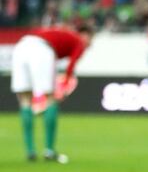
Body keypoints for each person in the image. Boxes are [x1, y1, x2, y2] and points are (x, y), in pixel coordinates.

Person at [10, 22, 94, 163]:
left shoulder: (62, 32)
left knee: (25, 100)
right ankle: (49, 150)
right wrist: (65, 85)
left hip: (21, 46)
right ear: (85, 35)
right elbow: (71, 65)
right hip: (43, 49)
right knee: (50, 98)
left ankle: (30, 151)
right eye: (91, 38)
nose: (90, 43)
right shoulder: (78, 41)